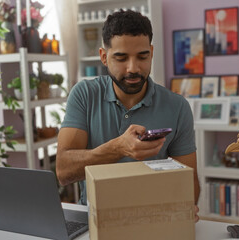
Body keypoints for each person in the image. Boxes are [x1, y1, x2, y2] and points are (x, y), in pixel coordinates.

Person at [56, 9, 200, 220]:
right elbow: (63, 171)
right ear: (104, 57)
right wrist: (118, 148)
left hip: (153, 219)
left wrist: (184, 205)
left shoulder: (178, 107)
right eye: (121, 58)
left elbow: (189, 183)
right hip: (93, 218)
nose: (133, 68)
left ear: (151, 52)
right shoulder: (84, 94)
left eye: (142, 56)